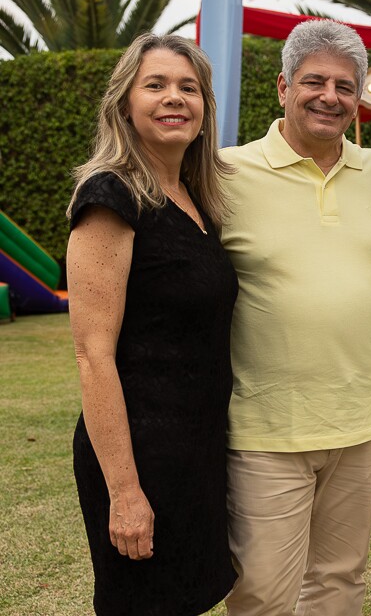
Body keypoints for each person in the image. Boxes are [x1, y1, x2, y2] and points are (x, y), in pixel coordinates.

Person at [218, 20, 371, 616]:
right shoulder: (224, 175)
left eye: (345, 86)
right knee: (263, 592)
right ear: (282, 87)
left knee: (340, 583)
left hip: (362, 422)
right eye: (314, 81)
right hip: (266, 428)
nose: (330, 96)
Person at [66, 34, 237, 615]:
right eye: (156, 85)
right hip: (138, 458)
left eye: (189, 88)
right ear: (125, 104)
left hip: (195, 451)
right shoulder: (110, 196)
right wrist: (125, 492)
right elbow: (94, 354)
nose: (175, 98)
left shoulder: (196, 199)